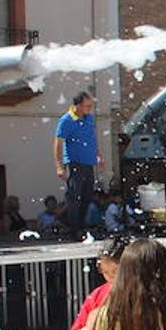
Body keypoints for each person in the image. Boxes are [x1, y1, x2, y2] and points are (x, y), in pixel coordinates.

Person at [66, 234, 131, 330]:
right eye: (105, 272)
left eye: (115, 271)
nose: (111, 276)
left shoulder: (143, 293)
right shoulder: (97, 295)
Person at [54, 91, 101, 241]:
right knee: (75, 197)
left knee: (87, 196)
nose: (90, 109)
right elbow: (58, 144)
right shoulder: (66, 120)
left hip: (89, 162)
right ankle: (75, 230)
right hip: (74, 162)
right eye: (87, 106)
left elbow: (92, 139)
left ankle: (72, 222)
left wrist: (99, 155)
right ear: (78, 106)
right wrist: (59, 166)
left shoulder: (89, 119)